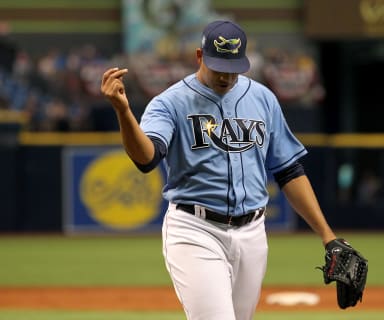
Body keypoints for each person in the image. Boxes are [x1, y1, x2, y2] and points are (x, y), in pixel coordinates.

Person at [101, 20, 337, 320]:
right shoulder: (170, 103)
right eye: (218, 66)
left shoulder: (263, 98)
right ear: (200, 56)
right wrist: (123, 112)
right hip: (195, 229)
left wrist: (327, 235)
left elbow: (289, 170)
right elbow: (146, 159)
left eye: (233, 67)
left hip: (253, 232)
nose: (226, 75)